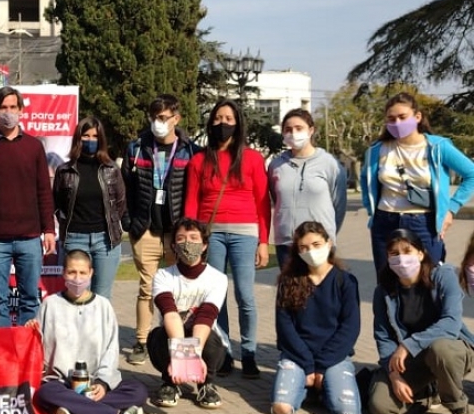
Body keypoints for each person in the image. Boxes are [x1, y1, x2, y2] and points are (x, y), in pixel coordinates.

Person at [184, 98, 270, 379]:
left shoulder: (253, 158)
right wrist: (191, 241)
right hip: (212, 234)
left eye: (229, 119)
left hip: (245, 233)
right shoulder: (198, 161)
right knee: (215, 297)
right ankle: (224, 353)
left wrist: (263, 242)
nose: (223, 123)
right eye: (218, 118)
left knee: (245, 296)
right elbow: (191, 203)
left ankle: (249, 353)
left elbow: (262, 202)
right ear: (211, 123)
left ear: (238, 123)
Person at [0, 86, 56, 327]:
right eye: (3, 108)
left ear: (21, 110)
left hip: (30, 238)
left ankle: (26, 355)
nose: (8, 112)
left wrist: (49, 230)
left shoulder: (34, 147)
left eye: (13, 107)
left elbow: (43, 192)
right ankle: (3, 356)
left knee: (29, 300)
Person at [27, 250, 147, 414]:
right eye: (72, 272)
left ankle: (68, 409)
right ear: (63, 273)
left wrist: (103, 384)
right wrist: (31, 332)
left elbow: (111, 349)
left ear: (91, 273)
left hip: (94, 383)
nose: (77, 278)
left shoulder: (103, 306)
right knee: (45, 393)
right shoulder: (49, 304)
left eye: (83, 273)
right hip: (61, 383)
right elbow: (36, 347)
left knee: (138, 391)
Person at [369, 228, 474, 414]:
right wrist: (393, 375)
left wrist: (407, 345)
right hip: (412, 359)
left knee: (440, 349)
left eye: (407, 251)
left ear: (420, 253)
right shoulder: (383, 291)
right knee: (380, 406)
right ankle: (427, 392)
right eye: (394, 253)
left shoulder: (444, 276)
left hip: (451, 350)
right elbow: (383, 336)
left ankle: (458, 405)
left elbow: (451, 323)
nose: (401, 259)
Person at [121, 94, 198, 366]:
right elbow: (125, 188)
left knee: (178, 291)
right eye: (154, 118)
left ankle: (176, 342)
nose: (158, 123)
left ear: (176, 119)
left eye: (164, 118)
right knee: (147, 288)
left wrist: (191, 229)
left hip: (176, 232)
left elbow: (194, 190)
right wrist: (128, 221)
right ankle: (141, 342)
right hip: (145, 230)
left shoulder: (190, 150)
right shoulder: (137, 148)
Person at [361, 91, 474, 273]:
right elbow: (365, 178)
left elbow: (471, 174)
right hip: (385, 221)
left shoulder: (438, 147)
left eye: (402, 117)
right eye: (391, 119)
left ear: (417, 117)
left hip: (423, 222)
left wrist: (451, 209)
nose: (397, 123)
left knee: (428, 279)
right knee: (387, 281)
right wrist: (370, 210)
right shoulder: (376, 150)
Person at [272, 222, 361, 414]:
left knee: (346, 413)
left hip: (333, 356)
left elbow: (350, 327)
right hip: (297, 356)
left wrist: (320, 367)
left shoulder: (345, 281)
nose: (310, 251)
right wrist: (308, 365)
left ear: (328, 244)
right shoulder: (289, 281)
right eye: (304, 247)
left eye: (316, 244)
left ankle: (323, 389)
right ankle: (306, 389)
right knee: (281, 408)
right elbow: (284, 327)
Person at [148, 218, 229, 410]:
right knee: (161, 335)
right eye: (181, 238)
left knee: (207, 337)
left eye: (194, 238)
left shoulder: (218, 278)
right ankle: (170, 382)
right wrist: (181, 357)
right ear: (174, 245)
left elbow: (206, 317)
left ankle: (205, 383)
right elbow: (170, 313)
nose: (188, 243)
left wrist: (193, 355)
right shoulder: (162, 276)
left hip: (204, 338)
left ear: (204, 245)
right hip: (172, 335)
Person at [53, 116, 126, 301]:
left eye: (95, 136)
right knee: (76, 295)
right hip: (75, 238)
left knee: (101, 297)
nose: (90, 140)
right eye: (86, 135)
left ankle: (99, 331)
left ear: (101, 139)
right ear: (78, 138)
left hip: (105, 240)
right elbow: (57, 203)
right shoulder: (64, 170)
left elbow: (120, 202)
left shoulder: (111, 169)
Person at [268, 109, 347, 270]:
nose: (293, 133)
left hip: (319, 244)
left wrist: (326, 234)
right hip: (287, 243)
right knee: (291, 293)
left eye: (299, 128)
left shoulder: (329, 163)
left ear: (311, 130)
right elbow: (277, 199)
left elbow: (339, 204)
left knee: (322, 293)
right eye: (288, 130)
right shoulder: (276, 165)